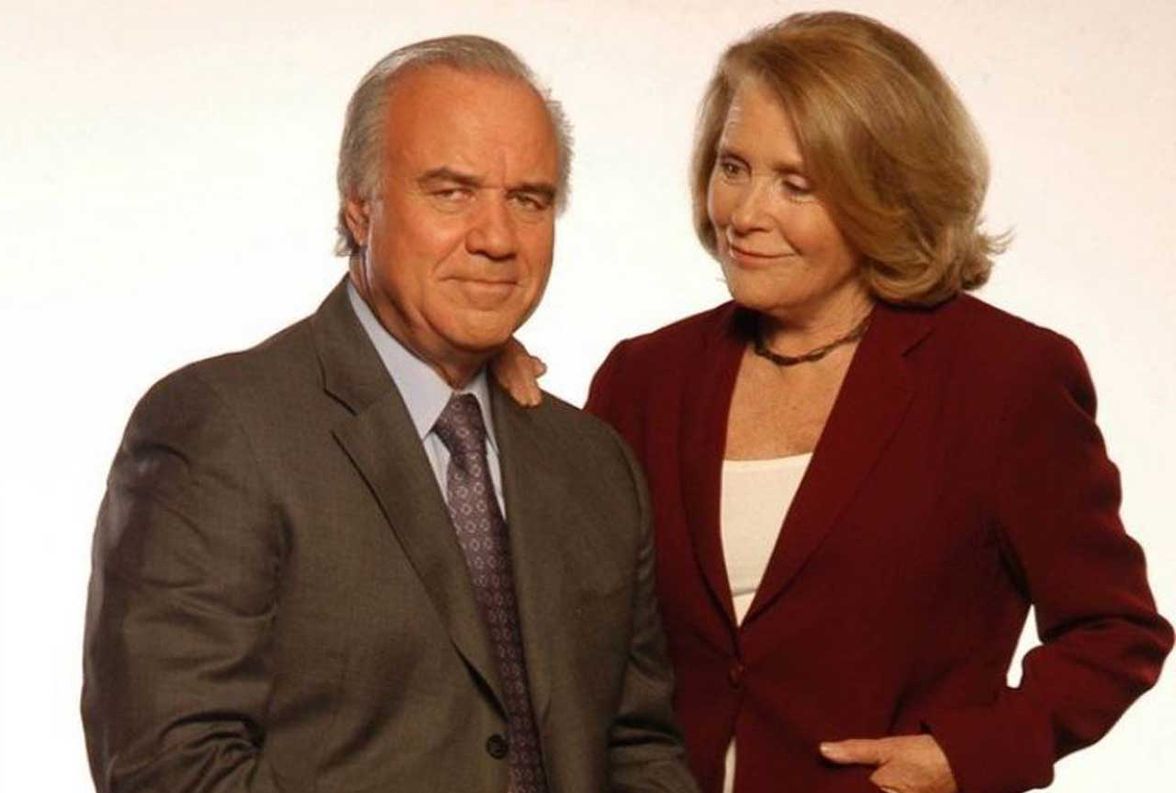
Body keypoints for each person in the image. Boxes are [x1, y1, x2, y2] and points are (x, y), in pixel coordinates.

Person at [496, 12, 1172, 793]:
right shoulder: (645, 376)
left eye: (797, 184)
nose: (745, 213)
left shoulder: (1004, 379)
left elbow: (1115, 630)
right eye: (733, 166)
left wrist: (961, 757)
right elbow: (556, 620)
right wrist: (487, 383)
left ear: (884, 195)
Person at [81, 35, 698, 793]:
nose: (497, 239)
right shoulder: (221, 430)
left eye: (528, 200)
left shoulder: (596, 464)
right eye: (452, 192)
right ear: (360, 207)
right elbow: (172, 768)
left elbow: (639, 748)